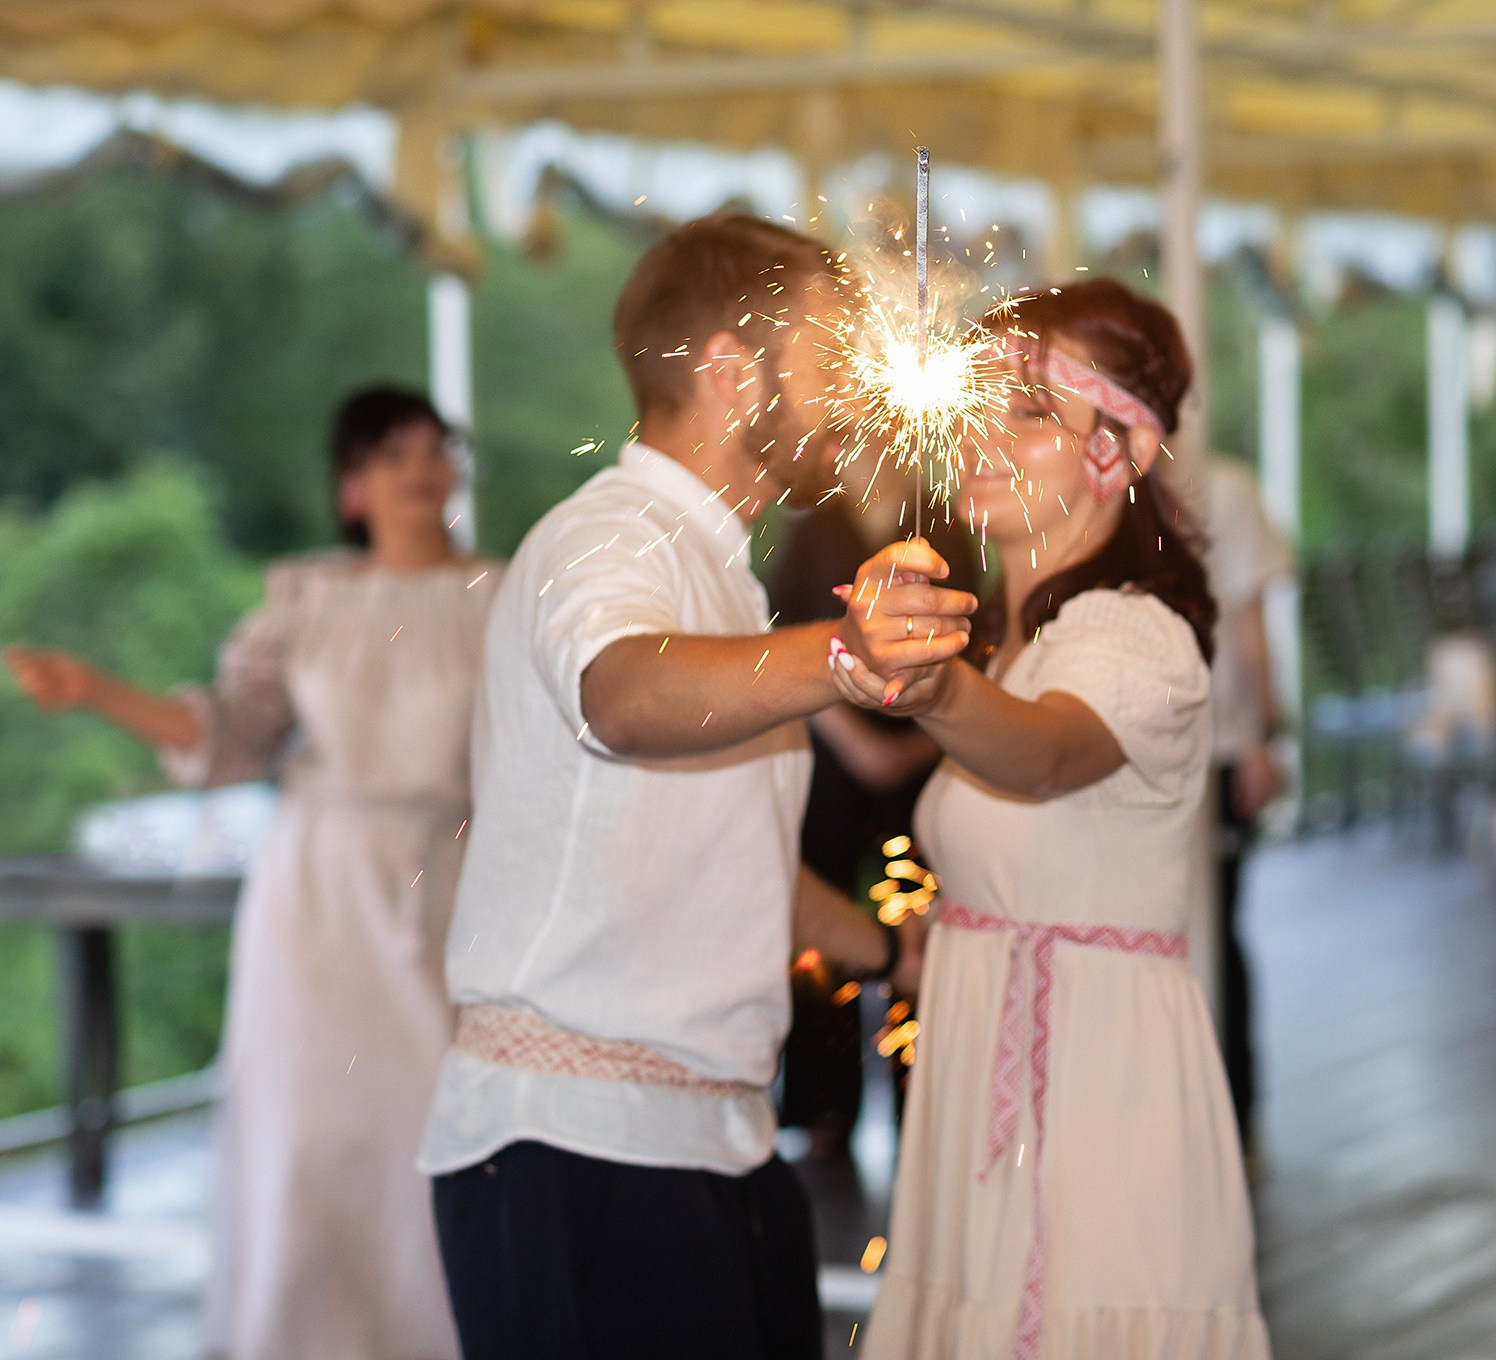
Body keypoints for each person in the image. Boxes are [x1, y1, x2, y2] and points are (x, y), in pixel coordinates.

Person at [418, 212, 973, 1360]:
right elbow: (622, 695)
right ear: (731, 371)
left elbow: (733, 863)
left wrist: (893, 951)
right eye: (828, 353)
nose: (854, 390)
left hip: (717, 1143)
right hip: (573, 1147)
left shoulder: (722, 572)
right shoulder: (605, 538)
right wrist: (843, 654)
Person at [3, 386, 499, 1360]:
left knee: (435, 1127)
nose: (420, 470)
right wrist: (95, 690)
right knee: (303, 1133)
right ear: (352, 486)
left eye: (434, 449)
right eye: (392, 454)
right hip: (315, 896)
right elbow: (232, 738)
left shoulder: (510, 594)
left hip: (448, 884)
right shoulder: (304, 601)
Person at [838, 279, 1271, 1359]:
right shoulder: (1024, 642)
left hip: (1091, 1078)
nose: (986, 434)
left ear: (1122, 450)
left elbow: (1043, 757)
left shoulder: (1135, 633)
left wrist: (930, 682)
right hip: (988, 1053)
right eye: (980, 404)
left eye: (1032, 411)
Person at [766, 479, 979, 1156]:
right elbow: (783, 643)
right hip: (831, 760)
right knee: (824, 918)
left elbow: (973, 646)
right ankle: (822, 1106)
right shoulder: (813, 524)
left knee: (922, 911)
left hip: (923, 755)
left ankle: (922, 1097)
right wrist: (859, 746)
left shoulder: (943, 519)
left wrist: (914, 745)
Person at [1201, 454, 1293, 1164]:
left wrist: (1261, 737)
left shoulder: (1223, 491)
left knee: (1218, 929)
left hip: (1221, 748)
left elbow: (1248, 622)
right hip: (1166, 748)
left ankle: (1234, 1114)